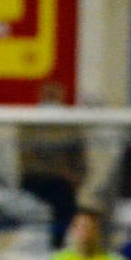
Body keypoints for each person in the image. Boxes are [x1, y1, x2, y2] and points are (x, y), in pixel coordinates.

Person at [19, 79, 85, 250]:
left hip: (65, 181)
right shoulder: (29, 123)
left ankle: (59, 242)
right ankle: (56, 243)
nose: (51, 98)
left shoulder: (71, 125)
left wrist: (76, 176)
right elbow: (28, 159)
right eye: (48, 94)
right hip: (35, 178)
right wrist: (60, 172)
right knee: (61, 191)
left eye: (55, 94)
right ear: (41, 95)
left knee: (65, 195)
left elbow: (79, 158)